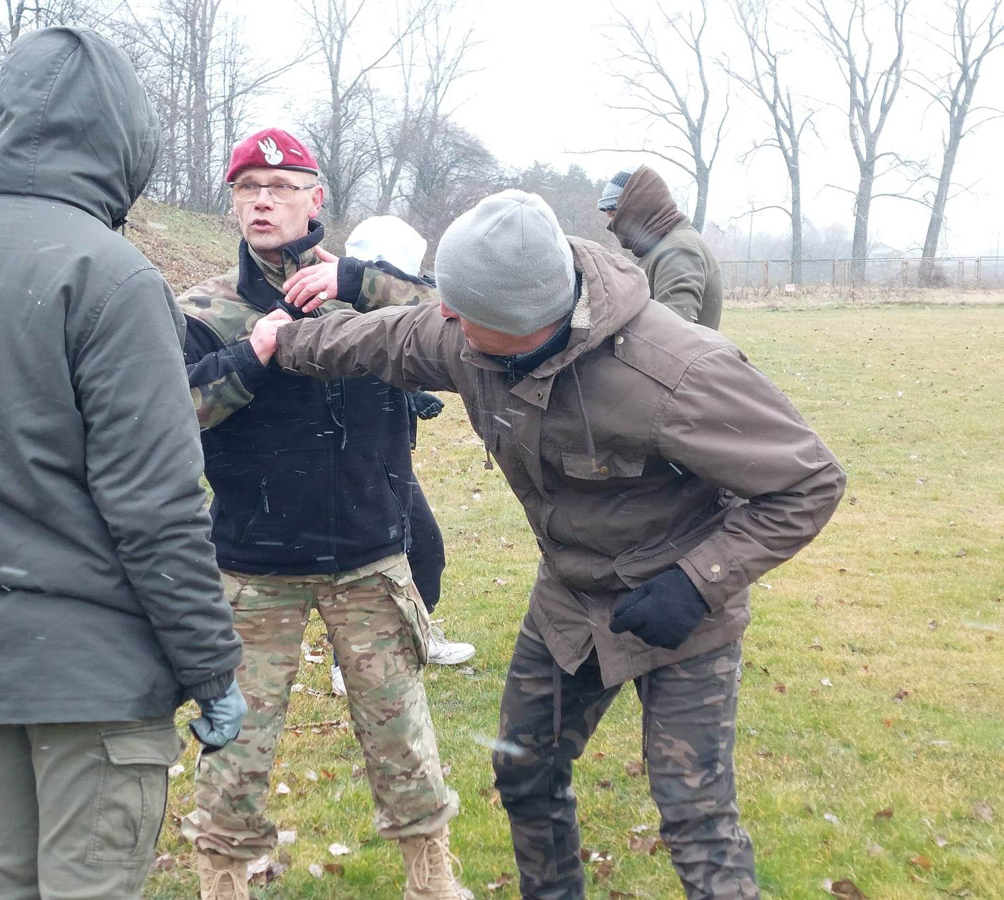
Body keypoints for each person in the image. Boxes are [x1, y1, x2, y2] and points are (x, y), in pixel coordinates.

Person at [268, 190, 846, 899]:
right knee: (525, 770)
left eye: (463, 312)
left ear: (524, 321)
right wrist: (279, 345)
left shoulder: (676, 372)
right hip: (569, 604)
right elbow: (385, 339)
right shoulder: (467, 335)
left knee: (696, 817)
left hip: (681, 612)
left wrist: (698, 582)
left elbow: (810, 482)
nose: (444, 317)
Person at [0, 27, 244, 900]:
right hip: (98, 673)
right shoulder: (114, 277)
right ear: (122, 140)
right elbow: (155, 507)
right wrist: (211, 667)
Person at [177, 129, 463, 900]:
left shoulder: (367, 292)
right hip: (254, 567)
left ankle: (431, 879)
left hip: (369, 557)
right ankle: (223, 883)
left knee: (403, 739)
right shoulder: (205, 310)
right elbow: (172, 412)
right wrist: (253, 356)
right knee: (235, 747)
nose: (262, 201)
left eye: (280, 186)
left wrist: (360, 281)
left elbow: (460, 327)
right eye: (247, 188)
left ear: (315, 199)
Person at [332, 215, 475, 698]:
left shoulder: (393, 305)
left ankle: (419, 632)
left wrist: (410, 397)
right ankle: (346, 661)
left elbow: (404, 350)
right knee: (362, 564)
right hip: (349, 459)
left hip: (390, 457)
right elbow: (352, 363)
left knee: (424, 549)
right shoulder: (337, 308)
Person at [599, 165, 723, 329]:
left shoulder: (678, 250)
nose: (610, 220)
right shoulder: (659, 248)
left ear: (640, 207)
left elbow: (673, 331)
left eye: (613, 210)